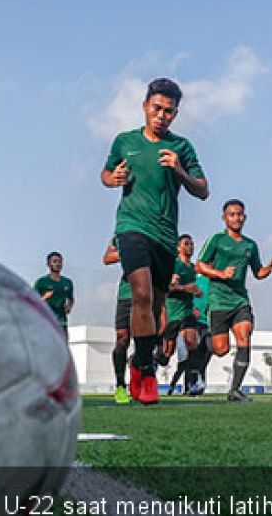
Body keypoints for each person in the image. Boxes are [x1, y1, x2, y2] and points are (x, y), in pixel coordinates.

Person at [101, 78, 208, 405]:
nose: (162, 115)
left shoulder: (182, 147)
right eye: (157, 108)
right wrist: (112, 179)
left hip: (165, 235)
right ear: (145, 106)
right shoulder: (125, 141)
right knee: (142, 295)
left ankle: (139, 358)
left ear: (176, 114)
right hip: (132, 226)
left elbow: (203, 190)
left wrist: (180, 171)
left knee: (156, 306)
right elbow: (106, 174)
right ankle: (145, 370)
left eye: (169, 112)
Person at [196, 199, 272, 402]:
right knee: (221, 349)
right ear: (224, 218)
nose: (237, 217)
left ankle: (235, 390)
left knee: (244, 337)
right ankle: (205, 343)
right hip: (218, 301)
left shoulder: (250, 245)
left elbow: (258, 273)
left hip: (240, 300)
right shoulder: (216, 240)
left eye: (240, 214)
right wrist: (220, 273)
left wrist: (269, 268)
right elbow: (199, 265)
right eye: (232, 214)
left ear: (245, 217)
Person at [163, 234, 203, 390]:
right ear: (178, 247)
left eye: (192, 244)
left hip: (187, 313)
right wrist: (187, 288)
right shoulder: (174, 265)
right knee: (166, 354)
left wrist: (196, 294)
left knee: (192, 343)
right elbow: (169, 288)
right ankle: (145, 363)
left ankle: (193, 381)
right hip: (172, 313)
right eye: (186, 243)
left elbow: (192, 289)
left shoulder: (192, 269)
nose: (190, 246)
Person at [102, 239, 134, 404]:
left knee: (148, 340)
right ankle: (121, 386)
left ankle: (141, 376)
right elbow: (107, 258)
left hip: (150, 292)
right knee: (122, 338)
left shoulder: (156, 226)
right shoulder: (123, 230)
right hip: (127, 294)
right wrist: (132, 250)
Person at [33, 252, 74, 334]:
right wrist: (44, 298)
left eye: (60, 261)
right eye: (55, 261)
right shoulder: (41, 282)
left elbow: (71, 299)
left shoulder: (67, 282)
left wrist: (69, 306)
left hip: (62, 323)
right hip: (46, 322)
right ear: (48, 264)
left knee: (62, 346)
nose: (58, 264)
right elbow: (32, 301)